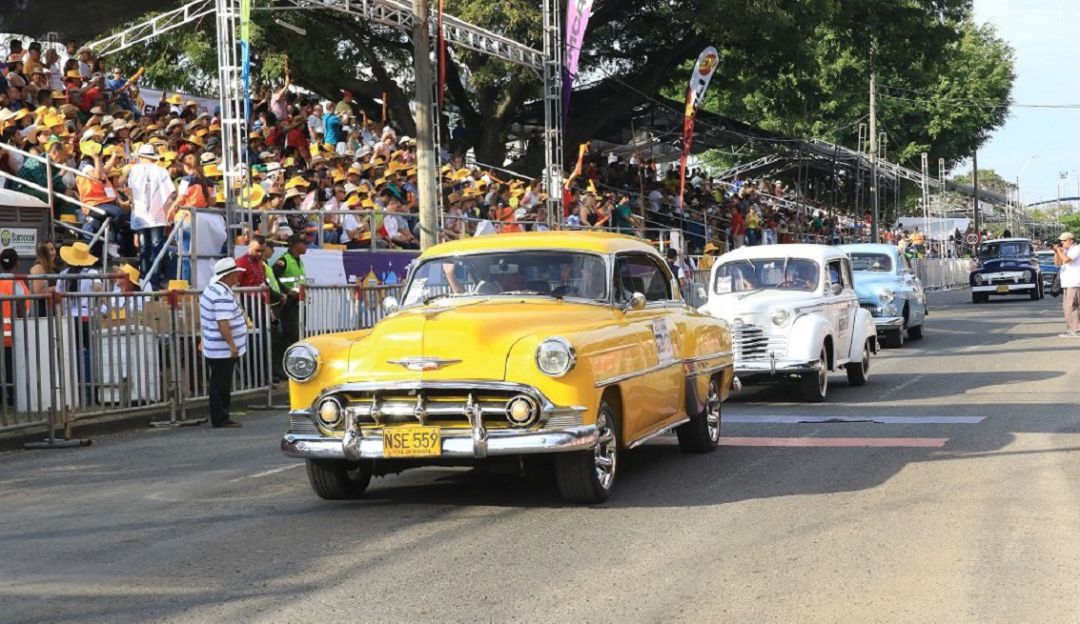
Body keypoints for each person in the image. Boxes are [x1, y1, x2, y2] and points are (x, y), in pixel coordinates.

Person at [199, 258, 248, 428]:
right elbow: (222, 322)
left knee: (218, 381)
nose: (237, 276)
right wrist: (232, 345)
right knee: (221, 383)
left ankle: (220, 415)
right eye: (235, 273)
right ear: (229, 275)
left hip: (215, 345)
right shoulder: (221, 295)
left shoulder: (212, 290)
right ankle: (221, 417)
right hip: (221, 347)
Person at [123, 143, 176, 289]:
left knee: (145, 247)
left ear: (140, 157)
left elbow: (130, 192)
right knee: (156, 247)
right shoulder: (161, 171)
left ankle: (145, 278)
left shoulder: (134, 171)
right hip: (157, 215)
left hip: (140, 214)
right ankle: (154, 280)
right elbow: (170, 193)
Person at [273, 234, 307, 353]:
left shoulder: (299, 260)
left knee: (300, 331)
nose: (307, 246)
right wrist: (286, 291)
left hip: (300, 302)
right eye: (304, 244)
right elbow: (272, 278)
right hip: (289, 303)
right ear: (296, 245)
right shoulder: (284, 261)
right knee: (291, 334)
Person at [1053, 232, 1080, 337]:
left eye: (1064, 241)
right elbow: (1057, 263)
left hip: (1075, 282)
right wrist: (1056, 251)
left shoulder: (1076, 249)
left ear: (1071, 240)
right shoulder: (1066, 250)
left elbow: (1067, 260)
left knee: (1072, 306)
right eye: (1061, 241)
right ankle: (1071, 329)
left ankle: (1077, 330)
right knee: (1067, 307)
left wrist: (1060, 251)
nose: (1062, 243)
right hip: (1067, 283)